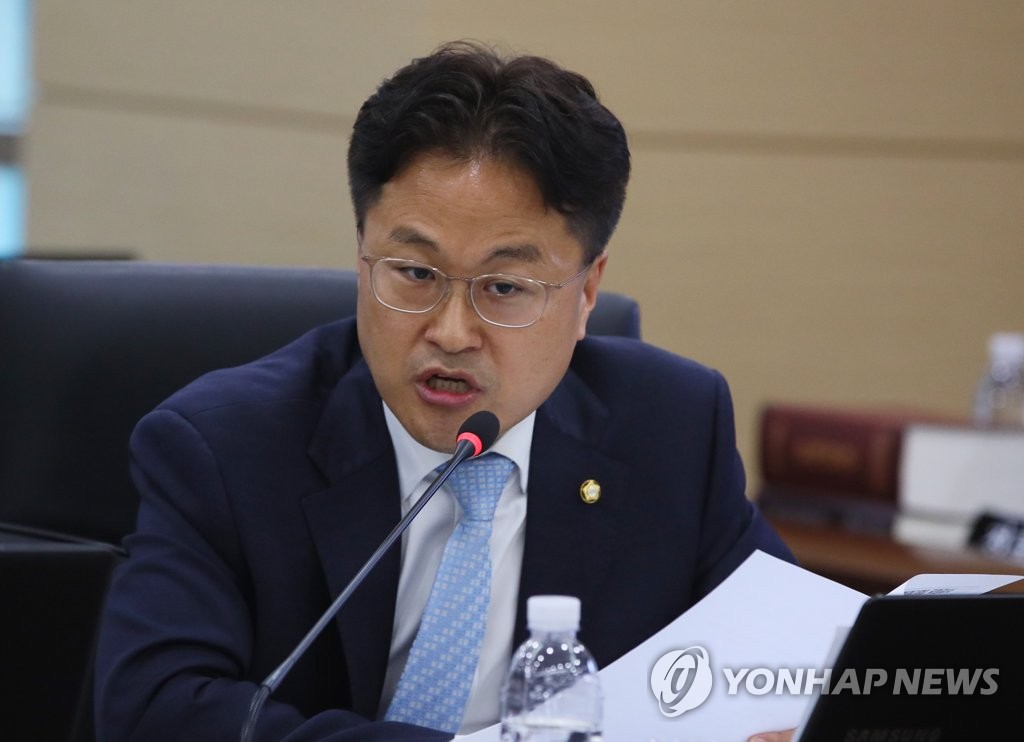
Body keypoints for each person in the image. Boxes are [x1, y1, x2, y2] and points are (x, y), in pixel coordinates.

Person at [94, 41, 795, 741]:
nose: (452, 332)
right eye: (415, 274)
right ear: (362, 257)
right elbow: (153, 710)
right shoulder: (222, 450)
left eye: (505, 287)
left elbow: (789, 665)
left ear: (587, 293)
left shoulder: (672, 428)